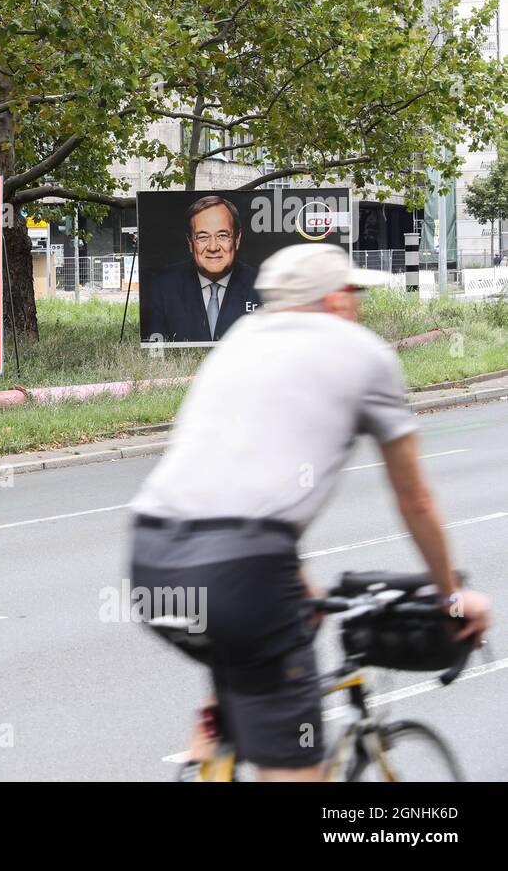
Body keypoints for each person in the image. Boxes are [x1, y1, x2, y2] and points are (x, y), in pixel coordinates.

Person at [127, 243, 491, 781]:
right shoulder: (364, 354)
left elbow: (233, 483)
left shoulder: (237, 343)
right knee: (295, 765)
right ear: (336, 299)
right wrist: (451, 597)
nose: (358, 305)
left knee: (240, 661)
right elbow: (416, 500)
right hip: (243, 573)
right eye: (353, 292)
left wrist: (299, 585)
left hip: (151, 558)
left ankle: (208, 753)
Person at [140, 195, 260, 343]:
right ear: (190, 242)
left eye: (222, 236)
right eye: (202, 237)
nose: (213, 247)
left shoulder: (262, 285)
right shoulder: (161, 286)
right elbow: (153, 347)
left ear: (237, 239)